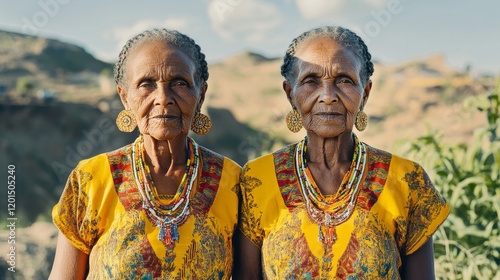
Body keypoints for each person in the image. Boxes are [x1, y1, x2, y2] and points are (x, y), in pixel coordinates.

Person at [233, 26, 450, 279]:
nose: (327, 96)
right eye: (310, 81)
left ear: (365, 93)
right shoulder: (257, 179)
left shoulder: (407, 180)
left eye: (344, 80)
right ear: (290, 94)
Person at [49, 28, 241, 279]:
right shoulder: (91, 179)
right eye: (146, 84)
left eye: (180, 83)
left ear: (201, 94)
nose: (163, 98)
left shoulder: (233, 181)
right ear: (125, 97)